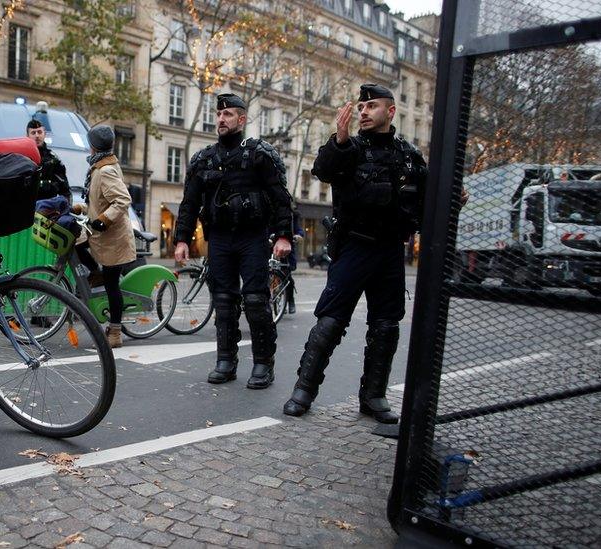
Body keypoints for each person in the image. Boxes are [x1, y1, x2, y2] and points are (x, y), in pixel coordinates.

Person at [281, 84, 427, 424]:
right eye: (361, 106)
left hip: (391, 250)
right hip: (354, 247)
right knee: (330, 321)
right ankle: (304, 390)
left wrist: (453, 198)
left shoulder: (407, 155)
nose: (363, 111)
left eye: (371, 106)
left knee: (387, 324)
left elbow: (427, 196)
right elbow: (324, 168)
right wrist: (340, 138)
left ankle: (373, 395)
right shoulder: (349, 148)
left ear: (390, 112)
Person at [174, 93, 294, 389]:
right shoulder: (203, 159)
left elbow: (281, 198)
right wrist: (181, 240)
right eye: (219, 114)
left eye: (228, 114)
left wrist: (283, 235)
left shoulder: (259, 154)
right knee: (224, 302)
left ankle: (263, 364)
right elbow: (189, 203)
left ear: (241, 119)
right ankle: (226, 361)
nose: (221, 119)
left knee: (255, 301)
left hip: (252, 238)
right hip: (219, 239)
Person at [72, 126, 136, 348]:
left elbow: (122, 200)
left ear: (93, 146)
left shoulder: (105, 170)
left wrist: (104, 219)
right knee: (77, 244)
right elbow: (100, 200)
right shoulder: (99, 166)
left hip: (113, 238)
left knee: (112, 286)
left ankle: (115, 333)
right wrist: (81, 207)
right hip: (100, 233)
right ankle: (94, 273)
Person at [26, 119, 70, 201]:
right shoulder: (22, 159)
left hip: (47, 209)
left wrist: (64, 209)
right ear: (27, 136)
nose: (37, 136)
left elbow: (65, 192)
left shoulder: (53, 160)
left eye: (39, 132)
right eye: (33, 133)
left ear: (44, 134)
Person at [286, 210, 306, 314]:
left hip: (287, 250)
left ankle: (290, 301)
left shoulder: (292, 215)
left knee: (287, 277)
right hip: (270, 248)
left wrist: (298, 235)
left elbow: (299, 230)